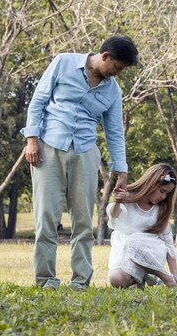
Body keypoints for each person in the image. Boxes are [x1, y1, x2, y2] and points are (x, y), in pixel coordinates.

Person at [21, 36, 139, 290]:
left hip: (85, 153)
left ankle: (80, 282)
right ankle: (45, 280)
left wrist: (121, 169)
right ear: (105, 56)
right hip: (48, 148)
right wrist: (31, 140)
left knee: (84, 222)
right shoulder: (63, 63)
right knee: (46, 219)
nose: (117, 74)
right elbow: (38, 101)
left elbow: (115, 131)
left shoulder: (113, 90)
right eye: (117, 67)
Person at [106, 163, 177, 288]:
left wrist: (174, 274)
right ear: (151, 183)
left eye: (167, 194)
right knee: (116, 279)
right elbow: (114, 215)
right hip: (124, 252)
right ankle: (137, 281)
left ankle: (164, 276)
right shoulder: (128, 197)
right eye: (162, 191)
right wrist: (117, 202)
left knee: (134, 241)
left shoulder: (160, 210)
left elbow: (168, 244)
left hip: (150, 251)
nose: (163, 197)